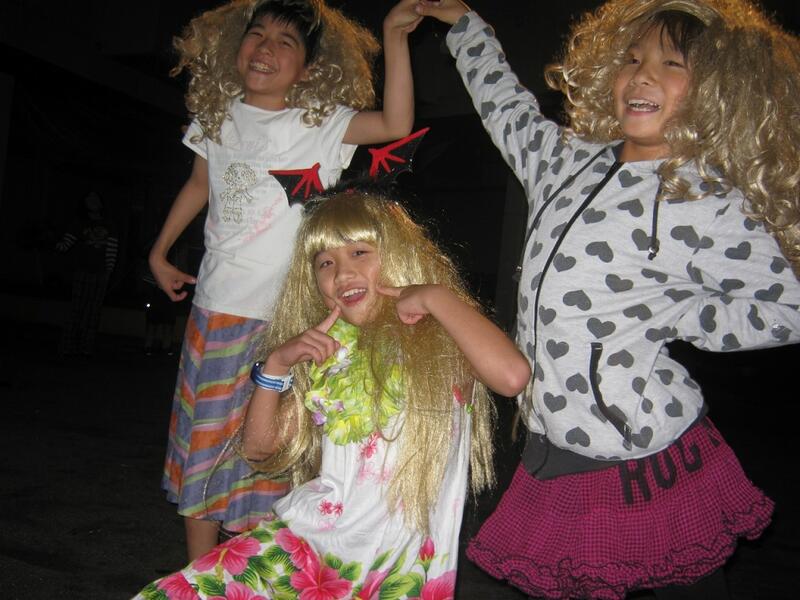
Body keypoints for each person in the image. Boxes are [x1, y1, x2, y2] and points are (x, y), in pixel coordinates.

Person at [415, 0, 800, 598]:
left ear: (718, 90)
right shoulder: (564, 159)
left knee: (686, 585)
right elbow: (505, 106)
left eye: (671, 64)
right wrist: (464, 26)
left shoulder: (706, 201)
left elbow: (789, 307)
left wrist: (684, 315)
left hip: (636, 447)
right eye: (632, 59)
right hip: (553, 432)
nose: (642, 76)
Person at [135, 187, 531, 599]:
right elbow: (258, 450)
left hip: (398, 576)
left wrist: (435, 296)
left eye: (359, 252)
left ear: (397, 254)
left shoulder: (440, 344)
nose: (341, 273)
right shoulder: (330, 353)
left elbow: (512, 376)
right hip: (310, 554)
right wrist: (276, 367)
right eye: (325, 262)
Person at [150, 0, 422, 561]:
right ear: (238, 45)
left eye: (286, 42)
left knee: (276, 452)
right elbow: (200, 183)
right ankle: (200, 577)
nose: (266, 48)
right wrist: (159, 250)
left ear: (309, 68)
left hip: (292, 318)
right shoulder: (217, 117)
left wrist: (395, 37)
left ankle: (258, 569)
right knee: (206, 447)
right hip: (218, 310)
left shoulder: (319, 125)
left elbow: (396, 124)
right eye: (258, 34)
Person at [55, 191, 118, 357]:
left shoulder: (109, 224)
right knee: (76, 309)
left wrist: (109, 271)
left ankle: (86, 347)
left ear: (101, 203)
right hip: (82, 271)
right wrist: (50, 240)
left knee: (93, 311)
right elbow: (65, 244)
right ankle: (67, 345)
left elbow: (112, 250)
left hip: (100, 274)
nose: (93, 201)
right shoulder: (79, 223)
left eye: (95, 198)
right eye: (89, 199)